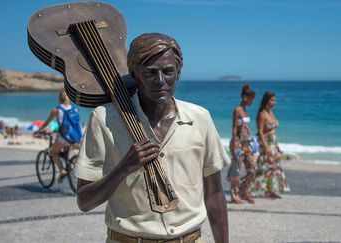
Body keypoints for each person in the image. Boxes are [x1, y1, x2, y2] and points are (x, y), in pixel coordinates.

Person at [74, 33, 230, 243]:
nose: (160, 81)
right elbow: (84, 201)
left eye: (168, 72)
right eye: (150, 73)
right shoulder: (104, 119)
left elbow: (214, 193)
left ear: (178, 72)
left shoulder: (199, 118)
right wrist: (123, 168)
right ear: (134, 74)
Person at [251, 91, 290, 198]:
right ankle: (254, 188)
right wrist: (266, 147)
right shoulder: (262, 114)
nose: (274, 102)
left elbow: (273, 131)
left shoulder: (271, 113)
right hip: (266, 143)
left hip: (273, 142)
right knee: (265, 166)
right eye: (272, 100)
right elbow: (260, 132)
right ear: (267, 101)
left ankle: (272, 189)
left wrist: (277, 145)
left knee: (274, 167)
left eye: (275, 100)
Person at [38, 91, 78, 183]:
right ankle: (69, 164)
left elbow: (47, 122)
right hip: (74, 137)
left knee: (54, 153)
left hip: (64, 137)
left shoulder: (57, 110)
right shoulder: (74, 110)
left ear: (60, 99)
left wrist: (40, 130)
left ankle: (62, 171)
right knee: (66, 151)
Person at [227, 84, 256, 204]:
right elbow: (234, 129)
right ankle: (234, 195)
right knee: (237, 170)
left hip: (246, 145)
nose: (252, 101)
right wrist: (234, 144)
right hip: (238, 143)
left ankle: (243, 191)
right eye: (251, 99)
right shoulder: (237, 110)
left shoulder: (245, 111)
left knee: (252, 169)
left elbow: (246, 128)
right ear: (245, 97)